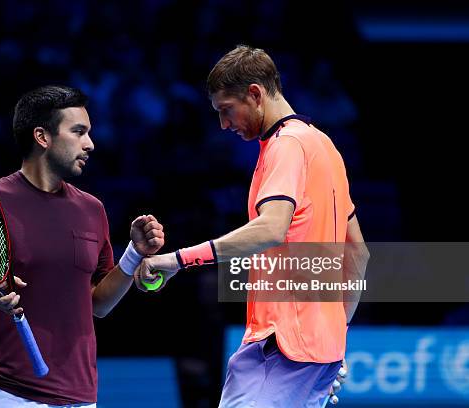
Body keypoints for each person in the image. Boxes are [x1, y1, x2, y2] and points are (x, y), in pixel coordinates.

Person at [134, 45, 369, 407]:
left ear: (255, 94)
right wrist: (337, 331)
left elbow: (270, 229)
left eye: (226, 110)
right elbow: (358, 253)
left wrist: (175, 260)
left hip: (279, 347)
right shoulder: (325, 146)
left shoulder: (286, 145)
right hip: (320, 355)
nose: (224, 125)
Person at [0, 85, 165, 407]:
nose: (90, 144)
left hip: (81, 395)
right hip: (9, 391)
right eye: (78, 132)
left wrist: (134, 252)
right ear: (42, 137)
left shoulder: (92, 209)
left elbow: (98, 304)